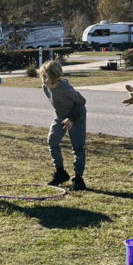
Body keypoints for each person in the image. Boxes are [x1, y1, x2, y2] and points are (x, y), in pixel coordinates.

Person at [39, 59, 87, 190]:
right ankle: (60, 173)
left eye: (49, 77)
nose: (46, 81)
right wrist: (63, 117)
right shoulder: (45, 88)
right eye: (44, 77)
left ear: (56, 76)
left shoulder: (66, 88)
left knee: (77, 147)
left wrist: (71, 118)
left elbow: (81, 102)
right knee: (52, 141)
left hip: (77, 117)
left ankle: (78, 179)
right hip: (60, 117)